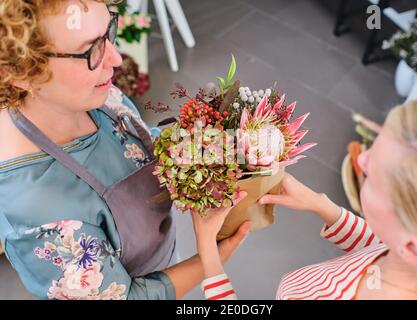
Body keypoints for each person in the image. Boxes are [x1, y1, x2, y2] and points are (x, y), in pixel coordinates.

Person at [0, 0, 250, 300]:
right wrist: (212, 257)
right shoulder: (37, 212)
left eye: (109, 32)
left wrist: (198, 149)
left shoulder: (90, 93)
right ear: (20, 73)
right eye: (91, 50)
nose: (116, 59)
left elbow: (134, 145)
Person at [196, 93, 417, 300]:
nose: (361, 158)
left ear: (414, 249)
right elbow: (382, 246)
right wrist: (323, 207)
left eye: (371, 175)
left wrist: (209, 256)